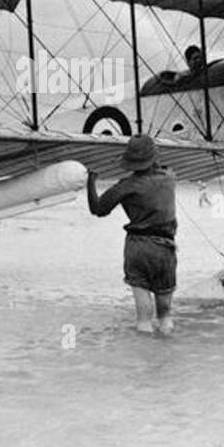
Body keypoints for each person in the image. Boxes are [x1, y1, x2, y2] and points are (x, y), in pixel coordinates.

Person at [86, 134, 178, 334]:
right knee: (165, 314)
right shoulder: (170, 178)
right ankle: (168, 356)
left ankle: (142, 355)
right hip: (165, 247)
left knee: (143, 316)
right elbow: (162, 169)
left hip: (137, 247)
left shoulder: (126, 185)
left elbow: (98, 209)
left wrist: (91, 181)